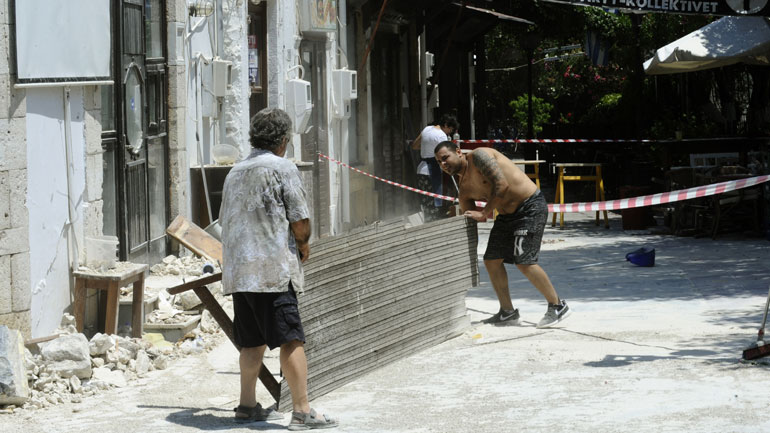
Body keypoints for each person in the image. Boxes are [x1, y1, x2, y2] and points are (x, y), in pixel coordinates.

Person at [220, 108, 339, 430]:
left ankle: (247, 406)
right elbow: (299, 219)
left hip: (239, 271)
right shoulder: (281, 167)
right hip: (271, 271)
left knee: (252, 341)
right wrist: (303, 245)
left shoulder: (236, 170)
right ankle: (302, 411)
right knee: (291, 340)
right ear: (284, 141)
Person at [434, 141, 570, 328]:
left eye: (445, 158)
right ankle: (508, 313)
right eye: (438, 162)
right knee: (491, 259)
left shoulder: (479, 156)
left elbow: (502, 185)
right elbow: (469, 224)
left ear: (458, 152)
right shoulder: (464, 188)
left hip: (530, 206)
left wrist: (483, 213)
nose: (443, 164)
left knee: (524, 261)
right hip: (507, 216)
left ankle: (557, 306)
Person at [412, 114, 459, 214]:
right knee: (434, 202)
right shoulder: (441, 135)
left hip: (421, 169)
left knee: (425, 202)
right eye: (450, 129)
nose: (449, 133)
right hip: (432, 170)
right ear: (446, 125)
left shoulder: (426, 129)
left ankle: (427, 223)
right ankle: (433, 222)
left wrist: (427, 149)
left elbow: (415, 145)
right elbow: (446, 154)